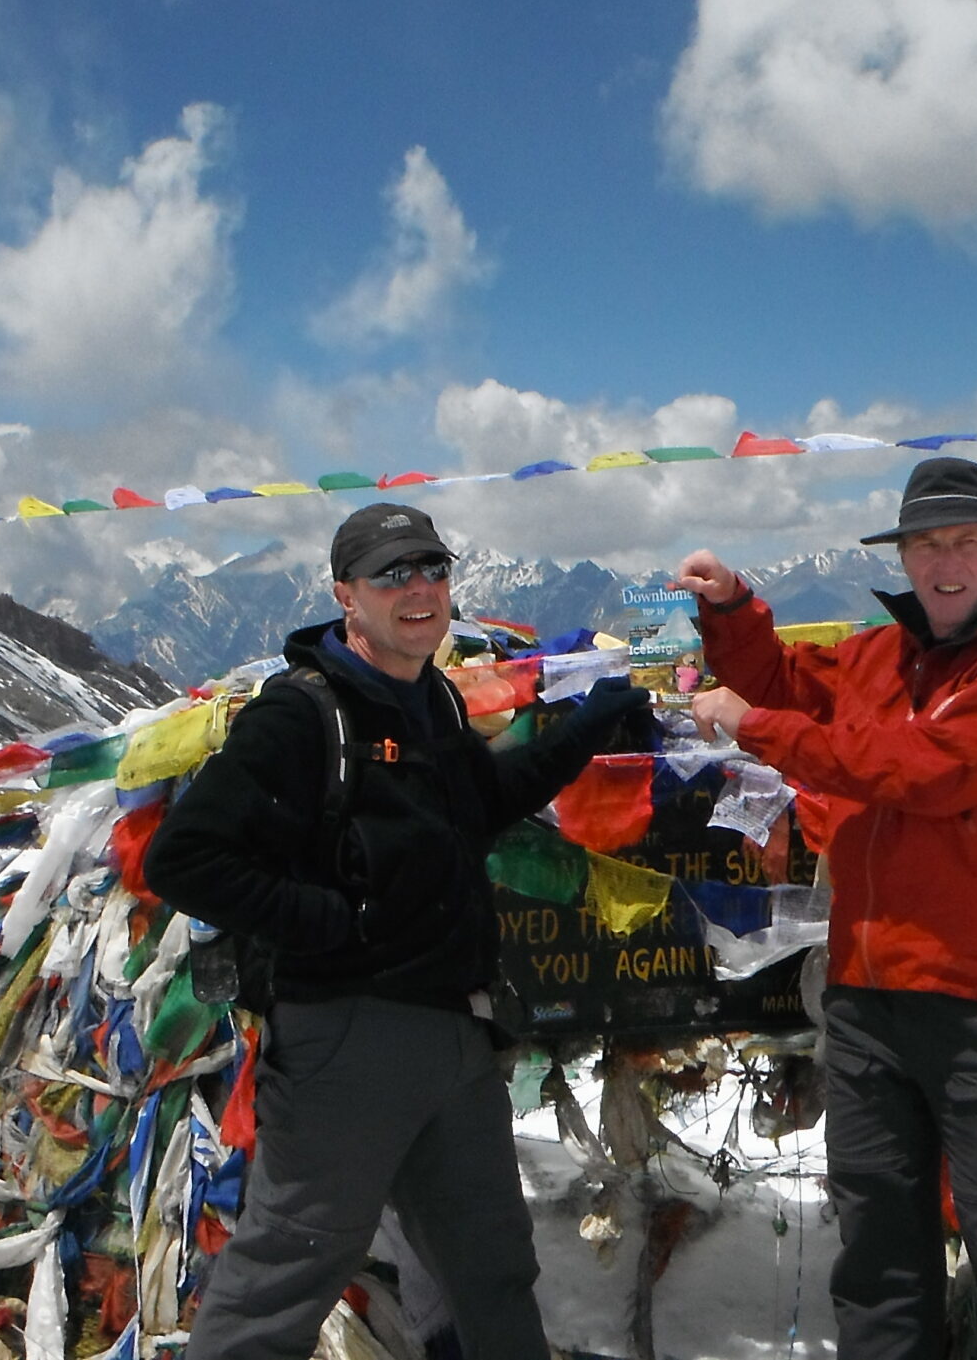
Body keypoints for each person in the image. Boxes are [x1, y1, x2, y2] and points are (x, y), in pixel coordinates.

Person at [144, 501, 651, 1360]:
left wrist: (584, 731)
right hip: (345, 1038)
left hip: (455, 1038)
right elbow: (182, 858)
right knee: (288, 1271)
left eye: (433, 568)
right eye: (392, 573)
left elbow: (479, 806)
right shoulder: (304, 716)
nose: (419, 588)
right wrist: (328, 921)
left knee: (492, 1265)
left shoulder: (434, 703)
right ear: (347, 594)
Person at [673, 456, 977, 1360]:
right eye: (928, 544)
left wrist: (755, 725)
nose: (947, 562)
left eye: (966, 542)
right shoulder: (880, 654)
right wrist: (733, 607)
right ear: (904, 555)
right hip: (865, 995)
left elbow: (922, 768)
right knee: (877, 1258)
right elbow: (786, 681)